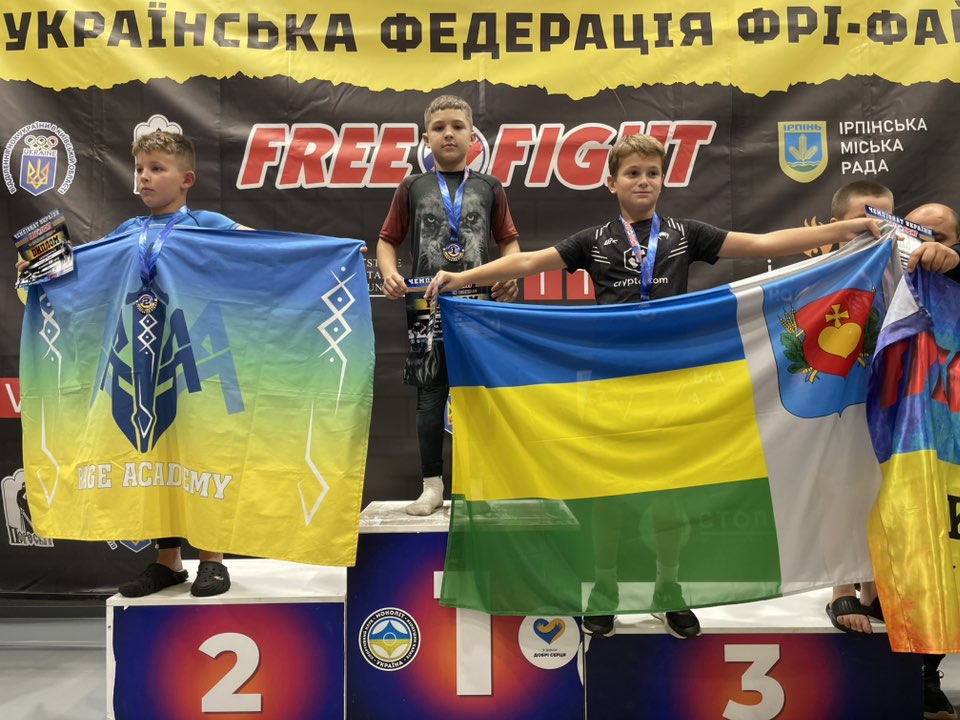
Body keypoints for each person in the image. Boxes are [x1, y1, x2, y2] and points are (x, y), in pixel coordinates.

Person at [425, 132, 891, 641]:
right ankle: (605, 589)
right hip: (611, 386)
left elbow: (760, 245)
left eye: (652, 173)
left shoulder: (686, 234)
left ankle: (669, 589)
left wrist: (849, 228)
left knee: (670, 496)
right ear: (611, 183)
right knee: (610, 494)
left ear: (663, 181)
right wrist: (461, 277)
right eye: (632, 173)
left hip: (673, 385)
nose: (643, 181)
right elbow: (528, 262)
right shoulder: (594, 240)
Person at [110, 130, 250, 598]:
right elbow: (84, 270)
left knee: (204, 456)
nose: (144, 177)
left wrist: (324, 256)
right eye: (140, 169)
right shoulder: (128, 232)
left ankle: (212, 559)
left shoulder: (207, 224)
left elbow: (266, 249)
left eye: (157, 168)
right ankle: (167, 561)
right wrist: (39, 269)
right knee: (156, 457)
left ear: (186, 179)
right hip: (145, 361)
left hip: (200, 359)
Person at [376, 95, 520, 516]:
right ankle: (432, 487)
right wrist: (389, 272)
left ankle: (479, 484)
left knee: (478, 396)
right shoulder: (412, 187)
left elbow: (509, 240)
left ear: (473, 137)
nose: (448, 133)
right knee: (430, 396)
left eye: (457, 126)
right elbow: (387, 240)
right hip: (428, 305)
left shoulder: (490, 187)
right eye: (439, 127)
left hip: (480, 306)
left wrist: (510, 274)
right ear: (426, 138)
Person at [823, 180, 896, 637]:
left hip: (888, 395)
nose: (877, 233)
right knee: (841, 487)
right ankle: (840, 586)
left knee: (881, 488)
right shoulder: (817, 275)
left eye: (886, 222)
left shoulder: (900, 271)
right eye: (864, 222)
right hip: (836, 398)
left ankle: (873, 587)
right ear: (835, 227)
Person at [903, 203, 960, 720]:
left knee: (948, 559)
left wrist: (952, 258)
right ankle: (911, 672)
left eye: (939, 237)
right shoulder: (889, 273)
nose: (927, 245)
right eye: (918, 233)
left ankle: (927, 671)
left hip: (952, 443)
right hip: (899, 438)